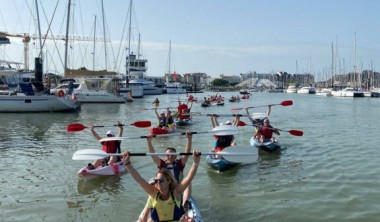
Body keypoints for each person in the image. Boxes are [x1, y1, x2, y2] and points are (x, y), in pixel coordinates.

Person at [122, 150, 201, 222]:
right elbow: (139, 179)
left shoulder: (175, 193)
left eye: (161, 180)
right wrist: (128, 164)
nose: (158, 183)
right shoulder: (153, 193)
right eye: (156, 181)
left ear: (168, 181)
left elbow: (189, 177)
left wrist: (195, 162)